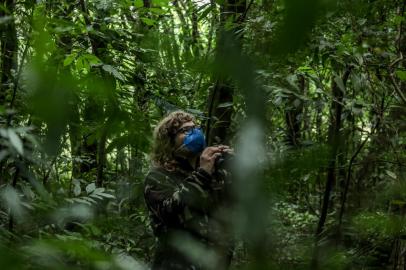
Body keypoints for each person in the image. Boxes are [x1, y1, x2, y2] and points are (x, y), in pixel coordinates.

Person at [144, 110, 234, 270]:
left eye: (196, 128)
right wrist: (202, 174)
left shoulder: (215, 170)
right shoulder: (158, 176)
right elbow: (168, 213)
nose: (195, 133)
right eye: (185, 130)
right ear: (169, 141)